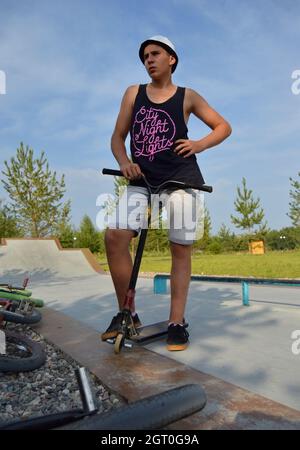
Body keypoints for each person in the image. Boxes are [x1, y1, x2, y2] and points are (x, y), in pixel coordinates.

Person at [101, 35, 232, 351]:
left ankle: (176, 321)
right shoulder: (134, 93)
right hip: (141, 179)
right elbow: (118, 137)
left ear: (171, 58)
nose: (149, 59)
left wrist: (199, 144)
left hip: (180, 178)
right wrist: (125, 162)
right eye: (145, 55)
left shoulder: (188, 97)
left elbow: (223, 126)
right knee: (115, 236)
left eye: (155, 53)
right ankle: (128, 313)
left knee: (179, 247)